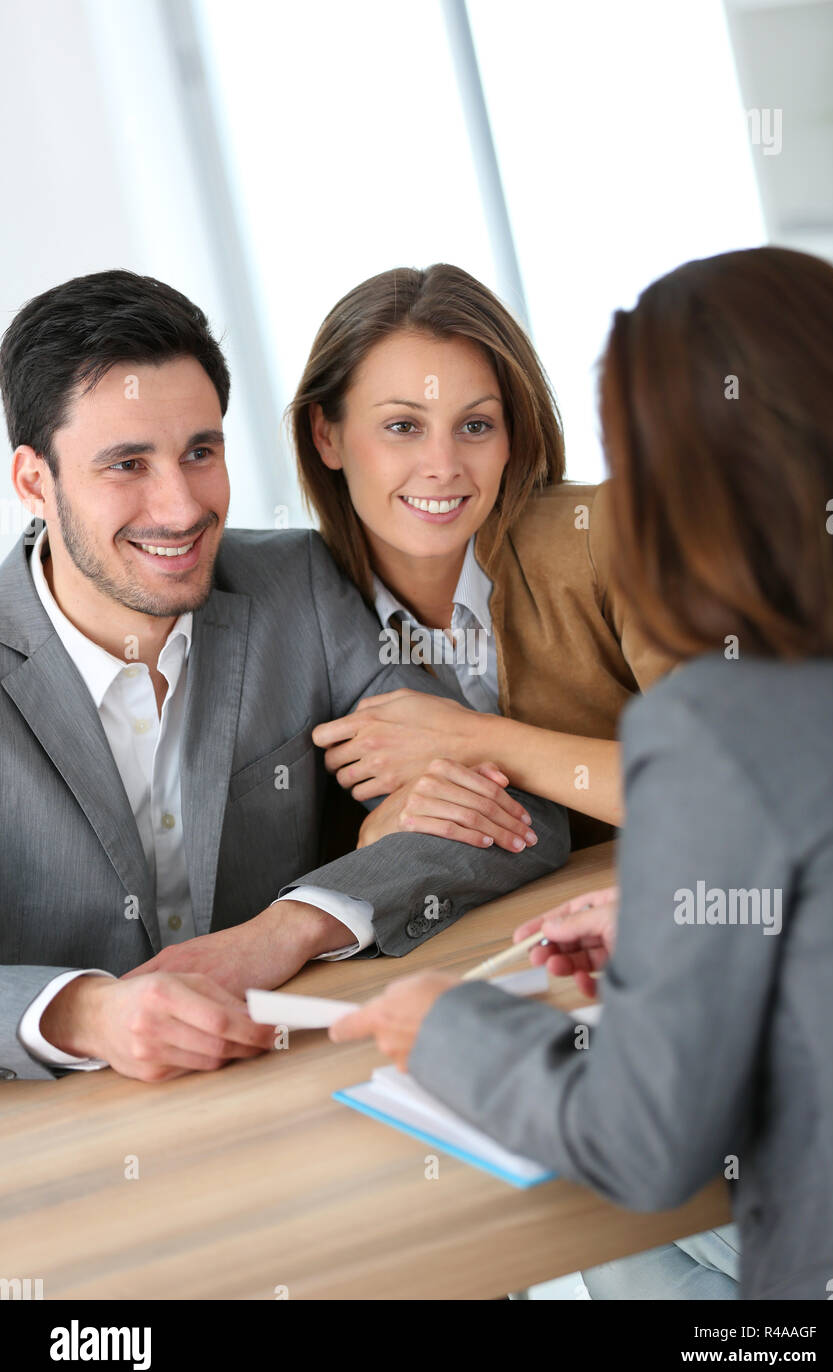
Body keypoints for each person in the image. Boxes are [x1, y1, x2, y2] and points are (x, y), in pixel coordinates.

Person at [331, 246, 833, 1301]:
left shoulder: (716, 716)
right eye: (400, 425)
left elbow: (640, 1141)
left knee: (595, 1237)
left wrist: (449, 1027)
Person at [0, 269, 570, 1084]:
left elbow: (514, 812)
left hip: (291, 1083)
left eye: (201, 452)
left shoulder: (291, 584)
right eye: (127, 464)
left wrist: (289, 927)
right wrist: (84, 1014)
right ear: (34, 482)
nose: (180, 507)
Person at [288, 263, 671, 855]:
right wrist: (373, 840)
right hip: (497, 945)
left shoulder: (609, 534)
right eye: (402, 425)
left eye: (475, 424)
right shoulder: (301, 612)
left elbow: (740, 777)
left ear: (512, 434)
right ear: (326, 435)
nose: (443, 466)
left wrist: (473, 739)